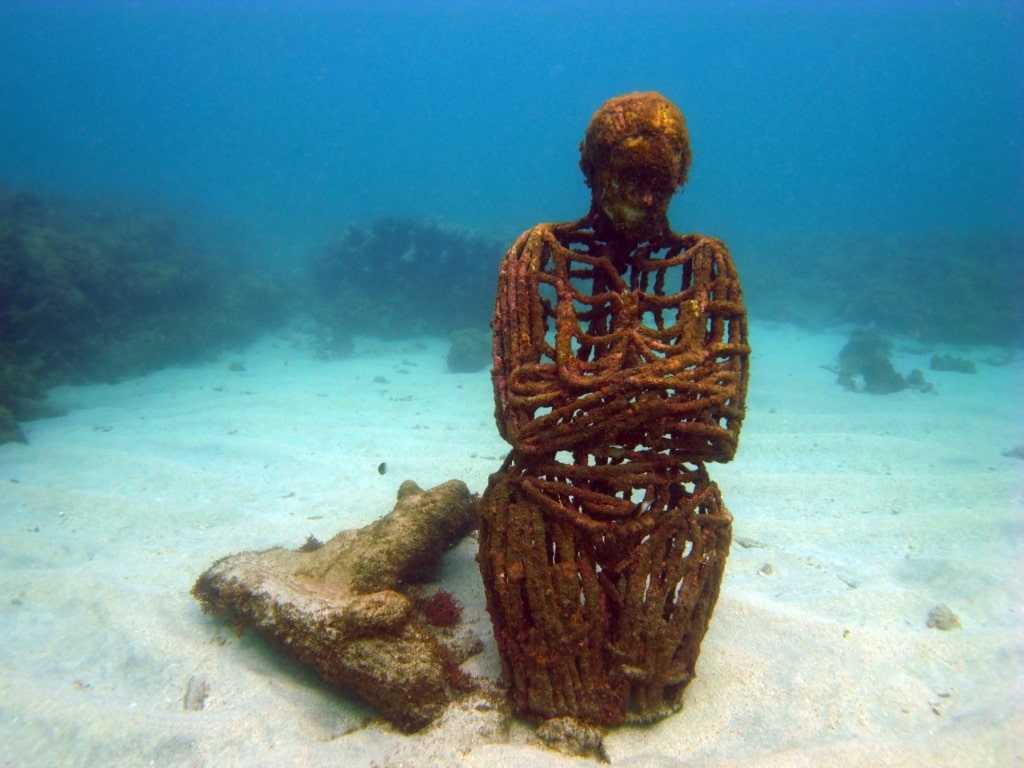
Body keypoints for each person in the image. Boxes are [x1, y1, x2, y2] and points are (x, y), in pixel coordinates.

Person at [478, 92, 751, 726]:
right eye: (627, 177)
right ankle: (561, 691)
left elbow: (719, 434)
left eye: (658, 181)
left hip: (666, 495)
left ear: (680, 178)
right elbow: (522, 424)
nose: (645, 197)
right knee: (518, 511)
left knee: (700, 521)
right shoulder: (538, 255)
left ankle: (638, 673)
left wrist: (586, 397)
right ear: (593, 172)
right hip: (551, 491)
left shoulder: (707, 265)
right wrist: (664, 390)